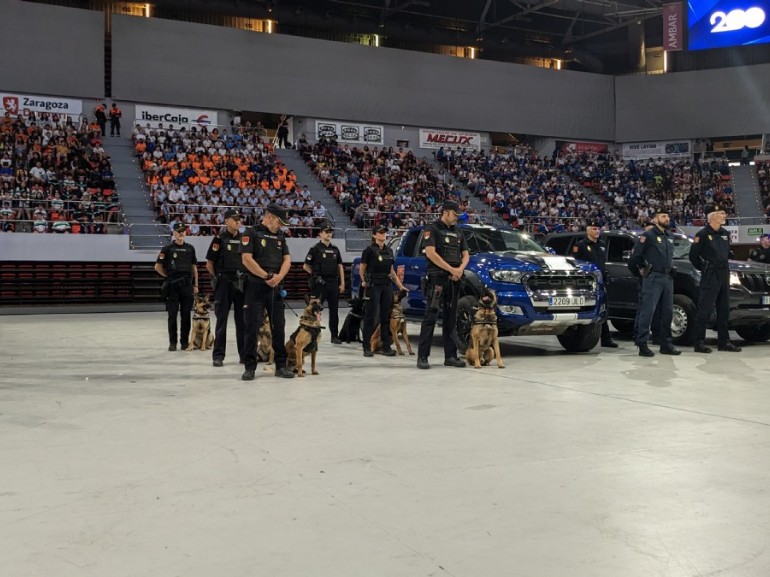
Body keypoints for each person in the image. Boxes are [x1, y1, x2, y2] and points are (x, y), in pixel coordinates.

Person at [240, 203, 295, 380]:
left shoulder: (280, 236)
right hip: (255, 286)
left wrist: (278, 278)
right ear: (269, 216)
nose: (281, 226)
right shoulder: (252, 232)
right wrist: (266, 276)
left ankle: (281, 365)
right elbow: (246, 260)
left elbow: (287, 260)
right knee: (252, 327)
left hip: (276, 287)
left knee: (278, 327)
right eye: (279, 221)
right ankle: (249, 367)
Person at [417, 200, 470, 369]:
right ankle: (423, 357)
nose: (457, 218)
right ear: (446, 212)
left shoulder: (458, 231)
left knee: (451, 319)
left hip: (454, 280)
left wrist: (460, 270)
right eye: (455, 215)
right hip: (437, 279)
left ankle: (451, 356)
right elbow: (431, 254)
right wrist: (451, 270)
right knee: (430, 318)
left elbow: (466, 254)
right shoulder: (432, 228)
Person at [689, 204, 742, 353]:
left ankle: (724, 342)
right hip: (711, 275)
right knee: (705, 309)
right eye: (721, 213)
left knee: (724, 309)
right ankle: (699, 342)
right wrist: (705, 268)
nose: (724, 216)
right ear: (712, 217)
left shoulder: (725, 233)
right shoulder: (703, 234)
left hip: (724, 273)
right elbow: (693, 256)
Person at [628, 209, 681, 357]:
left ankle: (666, 343)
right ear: (655, 219)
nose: (667, 218)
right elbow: (635, 258)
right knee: (647, 311)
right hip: (653, 278)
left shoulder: (669, 236)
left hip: (667, 278)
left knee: (667, 312)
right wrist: (641, 272)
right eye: (663, 216)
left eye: (668, 216)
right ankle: (642, 343)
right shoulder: (648, 236)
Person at [360, 224, 408, 358]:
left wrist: (400, 286)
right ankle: (366, 347)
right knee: (370, 316)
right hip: (373, 285)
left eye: (384, 233)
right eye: (380, 233)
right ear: (374, 235)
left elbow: (391, 271)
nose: (383, 235)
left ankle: (386, 346)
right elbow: (362, 268)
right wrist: (364, 281)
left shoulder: (389, 251)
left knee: (385, 317)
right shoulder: (369, 250)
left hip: (386, 285)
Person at [205, 209, 246, 367]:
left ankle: (244, 354)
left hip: (241, 282)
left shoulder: (244, 239)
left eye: (239, 219)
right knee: (221, 320)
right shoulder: (219, 239)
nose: (238, 222)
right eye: (234, 219)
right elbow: (209, 264)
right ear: (226, 221)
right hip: (224, 282)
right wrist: (217, 278)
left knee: (242, 321)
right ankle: (218, 356)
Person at [572, 220, 617, 348]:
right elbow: (575, 264)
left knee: (603, 309)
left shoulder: (602, 245)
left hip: (601, 282)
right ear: (588, 230)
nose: (597, 231)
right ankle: (583, 338)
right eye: (594, 229)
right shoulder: (580, 245)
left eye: (598, 229)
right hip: (586, 284)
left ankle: (606, 339)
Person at [154, 221, 199, 351]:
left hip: (186, 286)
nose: (181, 234)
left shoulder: (190, 248)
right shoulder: (167, 249)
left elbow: (194, 268)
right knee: (172, 315)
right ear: (174, 233)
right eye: (178, 231)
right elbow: (157, 267)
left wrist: (195, 285)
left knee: (186, 316)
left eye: (183, 231)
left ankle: (184, 342)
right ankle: (172, 342)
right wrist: (168, 277)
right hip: (173, 287)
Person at [303, 220, 344, 344]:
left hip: (333, 282)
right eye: (326, 232)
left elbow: (340, 266)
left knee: (334, 310)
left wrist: (342, 283)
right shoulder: (315, 249)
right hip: (319, 283)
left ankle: (334, 336)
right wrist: (315, 275)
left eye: (330, 232)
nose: (329, 234)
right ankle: (312, 334)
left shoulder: (335, 249)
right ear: (320, 234)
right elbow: (306, 266)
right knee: (315, 310)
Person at [631, 219, 660, 344]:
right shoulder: (640, 242)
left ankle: (656, 334)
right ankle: (638, 334)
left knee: (656, 308)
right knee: (644, 307)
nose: (649, 231)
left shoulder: (657, 242)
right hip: (646, 279)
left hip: (657, 278)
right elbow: (633, 261)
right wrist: (640, 273)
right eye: (647, 229)